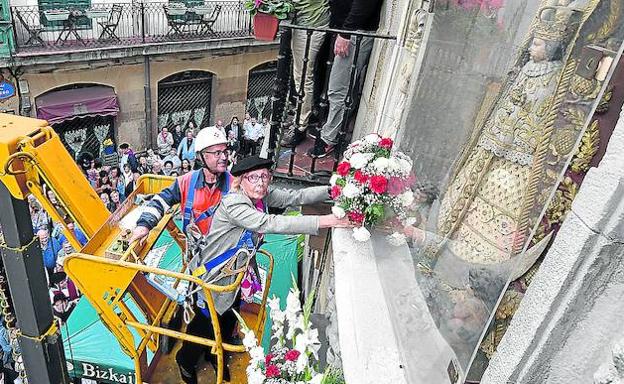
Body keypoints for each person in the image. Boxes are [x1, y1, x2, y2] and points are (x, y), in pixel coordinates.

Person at [175, 155, 352, 384]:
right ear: (240, 181)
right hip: (213, 277)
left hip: (237, 273)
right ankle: (186, 360)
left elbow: (295, 196)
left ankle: (214, 353)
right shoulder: (235, 204)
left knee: (230, 316)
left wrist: (332, 190)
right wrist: (328, 221)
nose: (260, 183)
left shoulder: (261, 196)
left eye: (265, 177)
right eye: (253, 177)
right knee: (203, 325)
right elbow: (269, 223)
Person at [308, 0, 383, 158]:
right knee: (343, 87)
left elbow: (364, 4)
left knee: (338, 88)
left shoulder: (351, 32)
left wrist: (345, 33)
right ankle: (335, 128)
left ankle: (329, 139)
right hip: (352, 32)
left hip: (354, 34)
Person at [280, 0, 330, 148]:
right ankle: (302, 115)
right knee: (302, 74)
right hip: (308, 21)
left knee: (302, 76)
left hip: (311, 24)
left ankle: (300, 125)